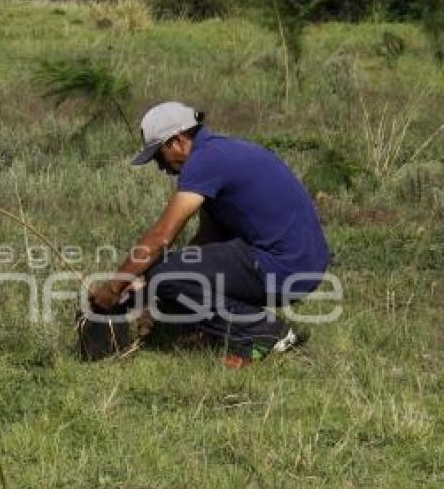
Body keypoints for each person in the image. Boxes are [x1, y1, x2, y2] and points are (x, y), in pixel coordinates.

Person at [89, 101, 331, 368]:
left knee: (167, 275)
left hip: (286, 265)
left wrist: (115, 287)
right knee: (169, 274)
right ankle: (221, 331)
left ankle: (262, 330)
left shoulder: (205, 162)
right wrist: (145, 284)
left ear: (177, 141)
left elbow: (160, 237)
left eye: (158, 156)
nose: (160, 166)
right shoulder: (222, 151)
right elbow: (207, 239)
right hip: (304, 263)